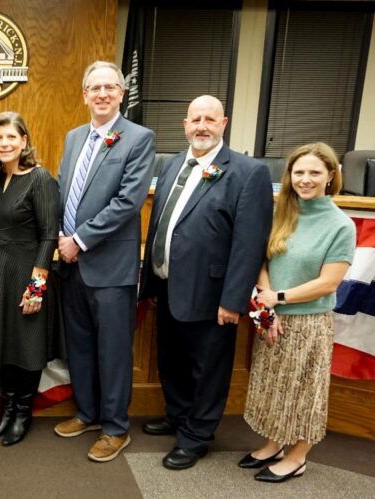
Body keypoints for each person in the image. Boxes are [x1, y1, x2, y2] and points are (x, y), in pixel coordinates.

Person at [139, 95, 273, 470]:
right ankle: (179, 416)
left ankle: (196, 436)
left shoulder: (248, 172)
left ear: (223, 123)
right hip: (167, 286)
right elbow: (163, 224)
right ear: (185, 125)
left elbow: (249, 244)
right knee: (172, 361)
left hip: (214, 295)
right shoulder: (170, 165)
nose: (202, 126)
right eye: (195, 119)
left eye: (209, 119)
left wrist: (233, 300)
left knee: (207, 369)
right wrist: (153, 280)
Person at [54, 61, 155, 463]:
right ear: (84, 95)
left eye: (110, 87)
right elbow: (64, 191)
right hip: (70, 264)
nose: (102, 94)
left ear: (121, 94)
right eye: (94, 88)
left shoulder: (139, 138)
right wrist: (59, 237)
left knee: (113, 350)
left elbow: (128, 201)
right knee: (79, 345)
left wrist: (79, 240)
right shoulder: (74, 137)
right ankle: (88, 413)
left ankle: (115, 428)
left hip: (111, 268)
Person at [241, 142, 354, 483]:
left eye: (314, 172)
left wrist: (279, 298)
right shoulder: (282, 212)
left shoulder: (341, 225)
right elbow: (261, 261)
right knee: (274, 387)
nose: (305, 179)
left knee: (305, 393)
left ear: (330, 176)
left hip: (309, 322)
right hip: (271, 313)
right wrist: (266, 305)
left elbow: (328, 282)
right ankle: (274, 444)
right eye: (299, 171)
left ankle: (298, 456)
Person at [0, 112, 61, 446]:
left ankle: (22, 414)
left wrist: (36, 288)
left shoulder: (41, 179)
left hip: (28, 272)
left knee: (26, 345)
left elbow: (49, 236)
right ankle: (7, 409)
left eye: (11, 137)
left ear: (24, 141)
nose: (4, 144)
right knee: (3, 342)